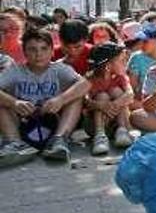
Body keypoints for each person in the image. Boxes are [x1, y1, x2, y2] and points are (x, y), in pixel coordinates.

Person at [0, 29, 90, 164]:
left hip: (54, 121)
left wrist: (61, 99)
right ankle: (15, 143)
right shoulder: (15, 71)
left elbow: (85, 84)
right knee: (3, 102)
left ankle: (59, 141)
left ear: (52, 51)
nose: (38, 54)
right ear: (24, 52)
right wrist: (14, 102)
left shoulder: (59, 69)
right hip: (24, 122)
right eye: (32, 49)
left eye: (44, 49)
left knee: (76, 97)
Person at [84, 43, 135, 155]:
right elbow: (85, 100)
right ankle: (99, 135)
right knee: (102, 96)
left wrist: (113, 105)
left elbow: (130, 94)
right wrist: (101, 105)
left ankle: (121, 131)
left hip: (115, 123)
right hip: (94, 124)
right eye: (122, 61)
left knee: (116, 91)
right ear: (107, 66)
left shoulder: (120, 77)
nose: (125, 64)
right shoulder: (91, 78)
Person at [126, 23, 156, 108]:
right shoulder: (137, 57)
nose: (141, 44)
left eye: (145, 41)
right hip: (143, 102)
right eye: (140, 40)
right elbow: (133, 88)